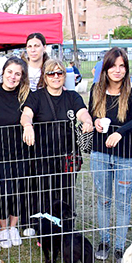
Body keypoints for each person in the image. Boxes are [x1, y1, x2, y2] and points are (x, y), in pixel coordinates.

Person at [89, 47, 132, 263]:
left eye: (122, 66)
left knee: (122, 203)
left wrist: (119, 132)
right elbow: (92, 113)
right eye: (113, 65)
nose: (117, 70)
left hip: (126, 156)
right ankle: (104, 242)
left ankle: (120, 247)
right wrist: (95, 121)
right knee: (103, 200)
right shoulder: (96, 89)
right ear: (106, 67)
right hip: (100, 154)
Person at [21, 59, 93, 218]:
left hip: (68, 155)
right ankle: (45, 229)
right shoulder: (36, 96)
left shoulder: (72, 96)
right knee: (44, 192)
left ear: (64, 75)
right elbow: (26, 114)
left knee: (66, 192)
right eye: (51, 73)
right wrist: (27, 126)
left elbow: (82, 112)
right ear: (45, 77)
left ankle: (66, 226)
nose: (55, 76)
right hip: (42, 156)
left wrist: (87, 121)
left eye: (59, 73)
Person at [0, 57, 30, 248]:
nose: (12, 76)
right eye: (10, 72)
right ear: (3, 72)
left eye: (17, 74)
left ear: (22, 77)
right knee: (3, 191)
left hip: (20, 152)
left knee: (18, 190)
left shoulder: (26, 95)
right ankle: (3, 229)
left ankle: (13, 227)